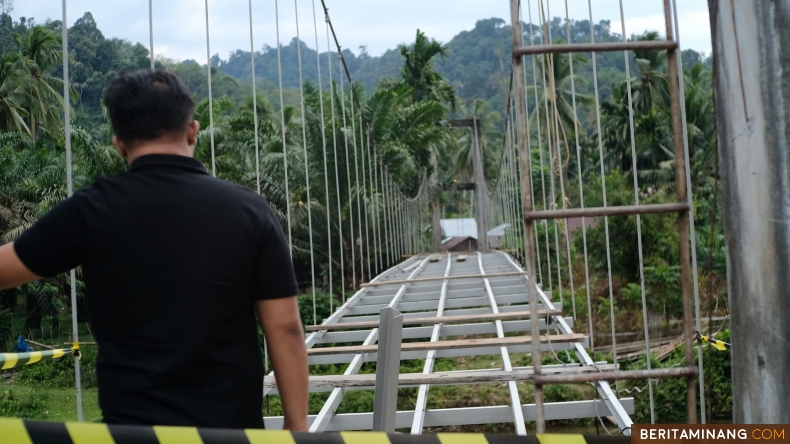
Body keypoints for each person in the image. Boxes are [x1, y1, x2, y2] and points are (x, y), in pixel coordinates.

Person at [0, 70, 308, 431]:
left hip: (133, 432)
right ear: (192, 131)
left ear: (119, 144)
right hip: (229, 434)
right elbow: (285, 328)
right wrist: (296, 427)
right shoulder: (250, 211)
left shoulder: (92, 210)